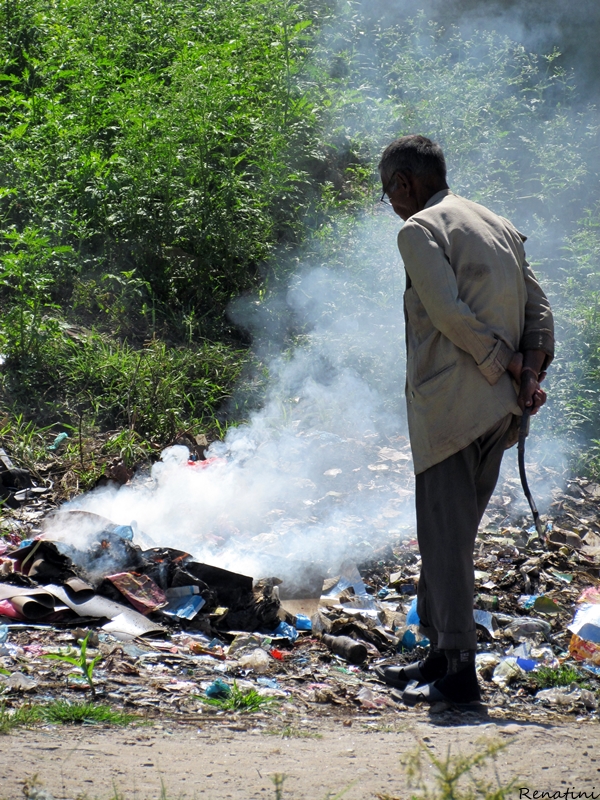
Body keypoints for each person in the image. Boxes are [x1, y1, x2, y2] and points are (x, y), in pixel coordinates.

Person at [375, 135, 554, 707]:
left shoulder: (418, 230)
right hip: (499, 411)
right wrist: (528, 373)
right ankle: (436, 654)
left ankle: (458, 673)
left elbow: (448, 313)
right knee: (447, 536)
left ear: (405, 183)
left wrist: (505, 363)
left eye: (389, 192)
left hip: (451, 408)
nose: (391, 203)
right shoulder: (498, 225)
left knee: (446, 541)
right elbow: (539, 310)